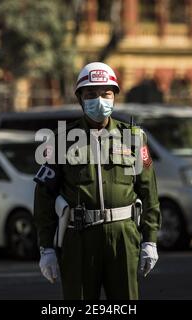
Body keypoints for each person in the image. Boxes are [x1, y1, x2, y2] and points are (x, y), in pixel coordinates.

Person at [33, 62, 161, 300]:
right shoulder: (61, 141)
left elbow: (149, 192)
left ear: (114, 97)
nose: (99, 100)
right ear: (80, 98)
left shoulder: (133, 137)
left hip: (124, 237)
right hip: (78, 239)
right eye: (91, 94)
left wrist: (149, 241)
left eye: (106, 93)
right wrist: (46, 247)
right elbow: (43, 196)